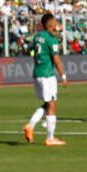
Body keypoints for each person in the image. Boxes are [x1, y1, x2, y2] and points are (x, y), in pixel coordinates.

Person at [23, 14, 68, 146]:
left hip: (37, 73)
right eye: (55, 22)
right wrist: (63, 76)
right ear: (50, 24)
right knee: (52, 105)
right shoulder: (51, 39)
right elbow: (57, 59)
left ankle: (30, 126)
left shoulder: (37, 37)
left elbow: (32, 52)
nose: (57, 23)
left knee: (47, 104)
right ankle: (50, 138)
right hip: (47, 75)